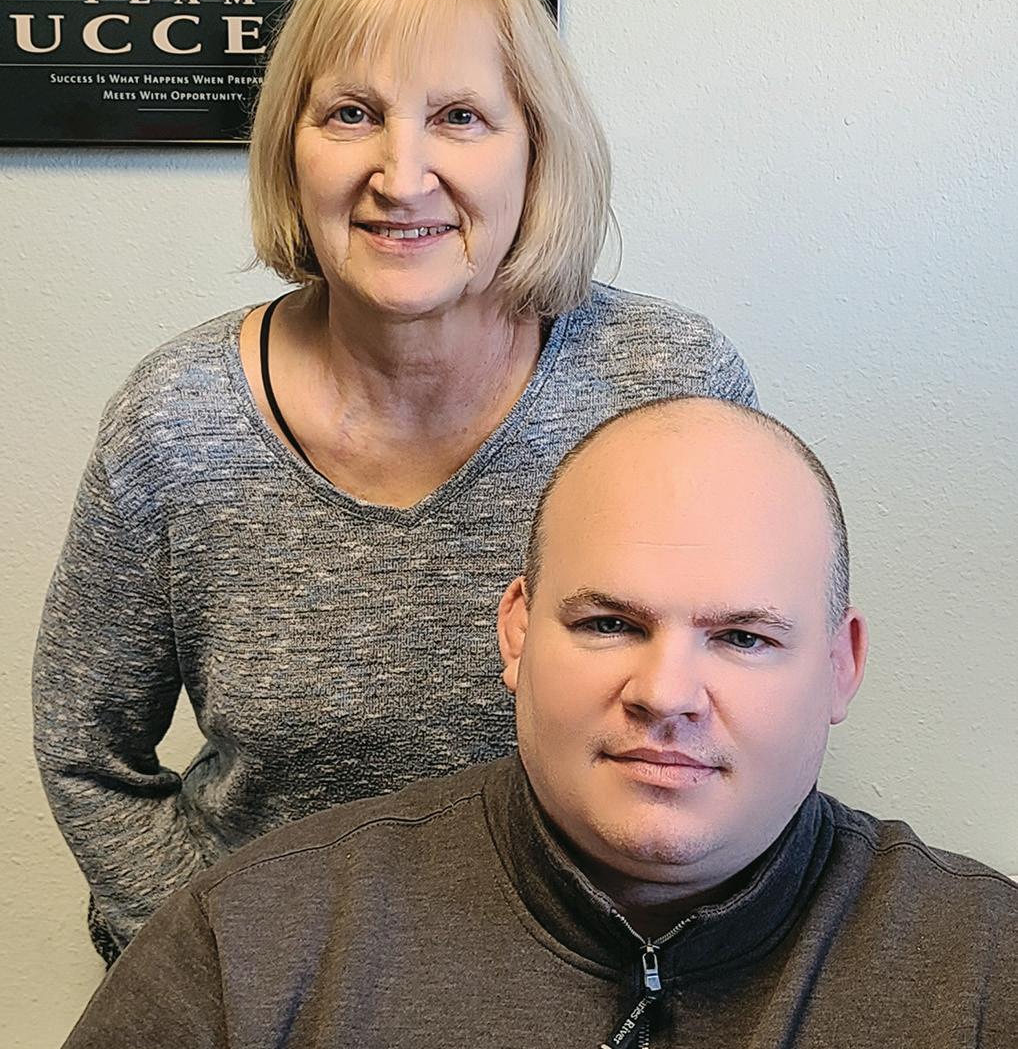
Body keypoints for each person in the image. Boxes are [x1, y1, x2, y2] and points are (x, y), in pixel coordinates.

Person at [32, 0, 757, 962]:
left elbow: (749, 703)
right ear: (291, 146)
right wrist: (227, 968)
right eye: (351, 114)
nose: (401, 175)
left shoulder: (666, 384)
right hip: (263, 978)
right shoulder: (177, 420)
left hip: (589, 973)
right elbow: (85, 750)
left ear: (536, 148)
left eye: (459, 116)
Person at [60, 397, 1017, 1048]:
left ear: (841, 666)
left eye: (742, 638)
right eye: (609, 624)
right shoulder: (249, 949)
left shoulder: (985, 971)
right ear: (516, 632)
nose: (666, 694)